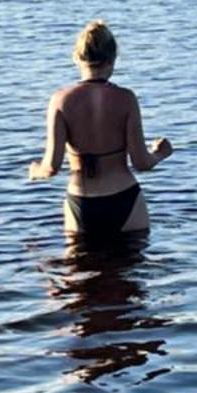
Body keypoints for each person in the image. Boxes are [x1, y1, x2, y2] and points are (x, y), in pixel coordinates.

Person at [28, 20, 173, 240]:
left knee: (79, 271)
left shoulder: (60, 101)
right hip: (125, 198)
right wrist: (161, 153)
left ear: (77, 58)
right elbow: (142, 163)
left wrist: (34, 170)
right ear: (112, 59)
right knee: (133, 269)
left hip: (82, 202)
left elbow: (51, 168)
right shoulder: (126, 99)